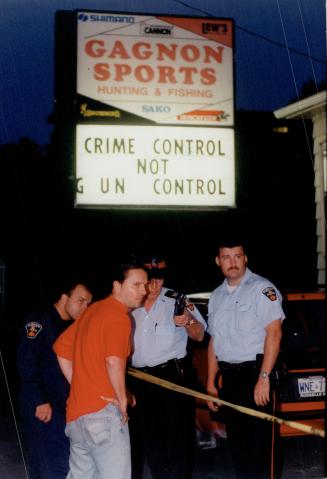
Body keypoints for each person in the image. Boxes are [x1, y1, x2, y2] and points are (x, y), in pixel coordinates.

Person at [53, 262, 148, 479]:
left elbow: (61, 350)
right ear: (117, 286)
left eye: (145, 285)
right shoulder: (119, 316)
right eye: (136, 284)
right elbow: (113, 361)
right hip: (104, 416)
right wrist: (122, 399)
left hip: (77, 417)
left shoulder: (92, 311)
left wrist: (81, 384)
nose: (143, 290)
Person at [206, 239, 284, 479]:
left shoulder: (262, 288)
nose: (233, 262)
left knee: (261, 451)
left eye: (237, 256)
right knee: (239, 448)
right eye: (227, 257)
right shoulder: (217, 296)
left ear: (245, 258)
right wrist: (211, 382)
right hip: (229, 380)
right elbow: (213, 341)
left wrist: (264, 377)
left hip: (256, 376)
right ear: (218, 261)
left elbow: (274, 333)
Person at [129, 257, 207, 479]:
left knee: (177, 444)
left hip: (171, 379)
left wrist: (188, 321)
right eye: (150, 280)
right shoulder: (130, 303)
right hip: (138, 381)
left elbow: (200, 334)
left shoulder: (176, 299)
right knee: (149, 443)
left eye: (159, 279)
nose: (155, 285)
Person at [16, 279, 93, 479]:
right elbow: (27, 365)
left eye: (88, 303)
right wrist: (39, 400)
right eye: (81, 301)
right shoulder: (38, 323)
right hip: (44, 404)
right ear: (64, 297)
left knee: (61, 462)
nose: (85, 307)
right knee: (51, 464)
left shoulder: (76, 327)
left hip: (65, 404)